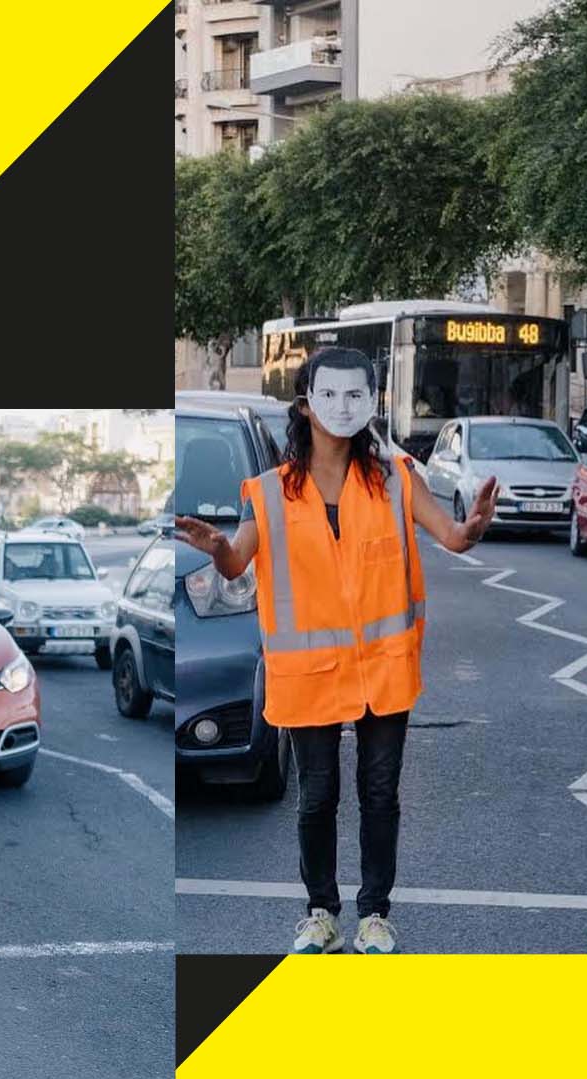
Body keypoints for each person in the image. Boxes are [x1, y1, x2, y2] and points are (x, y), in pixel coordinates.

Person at [174, 346, 498, 955]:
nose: (344, 407)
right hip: (310, 672)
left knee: (381, 793)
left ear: (371, 404)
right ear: (306, 405)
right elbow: (238, 560)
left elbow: (451, 536)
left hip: (384, 669)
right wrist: (216, 547)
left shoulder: (397, 478)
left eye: (357, 396)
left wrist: (474, 526)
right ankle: (320, 912)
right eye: (332, 395)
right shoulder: (269, 492)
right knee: (318, 795)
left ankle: (375, 914)